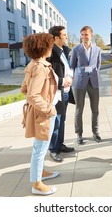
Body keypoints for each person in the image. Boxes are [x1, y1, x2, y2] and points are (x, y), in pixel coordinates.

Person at [21, 33, 60, 195]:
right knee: (40, 148)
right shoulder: (40, 68)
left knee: (40, 148)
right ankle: (37, 184)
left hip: (40, 112)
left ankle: (41, 172)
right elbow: (32, 95)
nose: (52, 48)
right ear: (43, 47)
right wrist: (49, 108)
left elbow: (24, 89)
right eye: (50, 45)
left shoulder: (34, 64)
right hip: (43, 114)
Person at [47, 26, 75, 162]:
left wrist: (71, 76)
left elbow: (67, 68)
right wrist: (63, 81)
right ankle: (53, 149)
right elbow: (48, 76)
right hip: (56, 93)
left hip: (65, 92)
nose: (67, 37)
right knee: (56, 122)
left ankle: (60, 144)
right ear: (56, 38)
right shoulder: (50, 53)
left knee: (62, 120)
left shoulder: (64, 50)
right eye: (64, 35)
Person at [70, 25, 102, 144]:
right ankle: (79, 134)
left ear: (91, 35)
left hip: (93, 82)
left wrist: (94, 73)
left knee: (95, 109)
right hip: (79, 82)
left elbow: (98, 65)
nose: (84, 37)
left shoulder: (97, 49)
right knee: (79, 109)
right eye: (82, 35)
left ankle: (95, 132)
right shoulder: (76, 49)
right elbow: (72, 65)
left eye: (86, 34)